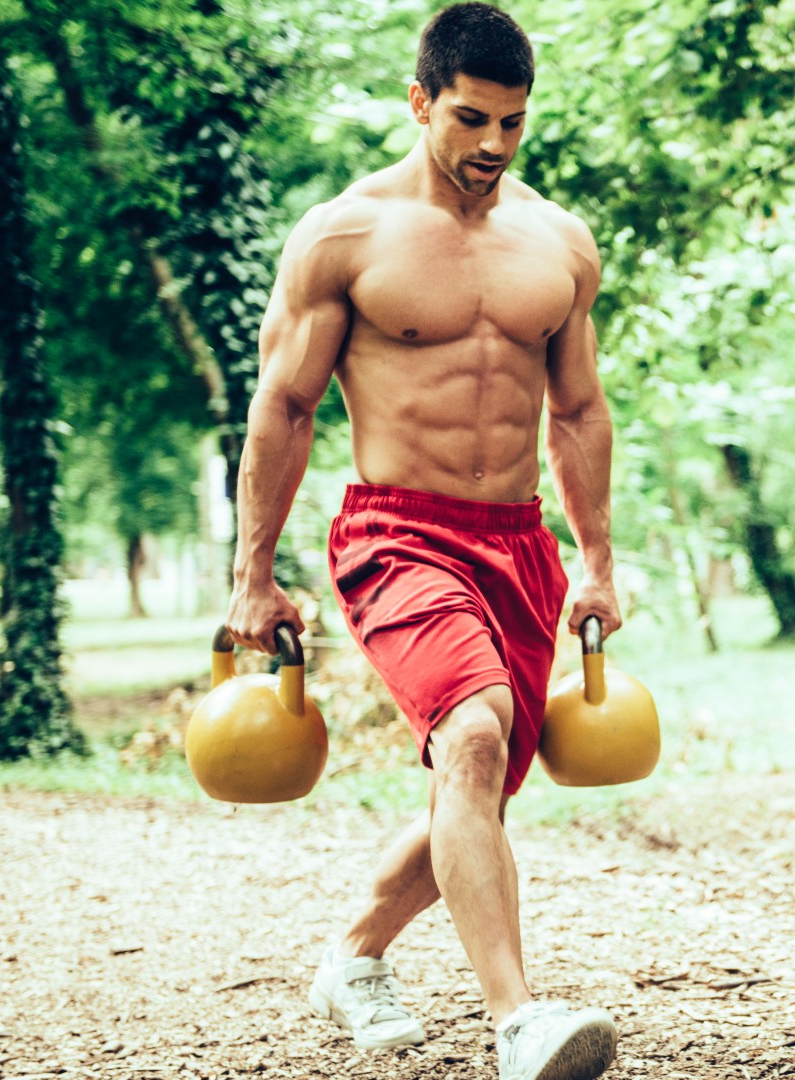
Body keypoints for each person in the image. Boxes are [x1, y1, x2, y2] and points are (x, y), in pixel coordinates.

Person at [223, 5, 620, 1079]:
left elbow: (579, 411)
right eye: (471, 118)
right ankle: (519, 1020)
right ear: (420, 101)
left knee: (475, 783)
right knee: (479, 734)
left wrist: (595, 560)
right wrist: (251, 578)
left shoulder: (559, 242)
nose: (493, 144)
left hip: (520, 544)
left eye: (514, 124)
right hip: (398, 534)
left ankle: (353, 954)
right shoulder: (344, 235)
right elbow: (285, 406)